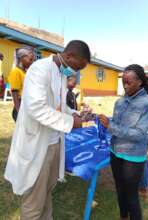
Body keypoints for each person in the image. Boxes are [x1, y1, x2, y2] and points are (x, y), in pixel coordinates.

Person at [4, 40, 91, 220]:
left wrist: (77, 114)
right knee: (34, 201)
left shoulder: (60, 74)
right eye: (78, 66)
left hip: (54, 142)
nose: (77, 72)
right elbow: (37, 108)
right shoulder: (40, 69)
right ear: (69, 56)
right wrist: (70, 122)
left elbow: (59, 107)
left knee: (46, 194)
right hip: (38, 146)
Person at [99, 64, 148, 220]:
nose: (125, 86)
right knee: (120, 190)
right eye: (123, 82)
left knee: (131, 196)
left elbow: (139, 134)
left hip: (133, 156)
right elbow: (118, 123)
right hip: (115, 151)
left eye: (128, 82)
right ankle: (123, 217)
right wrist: (106, 120)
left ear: (139, 82)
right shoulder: (120, 102)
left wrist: (110, 126)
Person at [8, 47, 35, 121]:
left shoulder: (25, 72)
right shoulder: (16, 72)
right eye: (30, 59)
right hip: (20, 107)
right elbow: (14, 93)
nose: (32, 62)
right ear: (22, 58)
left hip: (27, 106)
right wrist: (19, 111)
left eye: (33, 60)